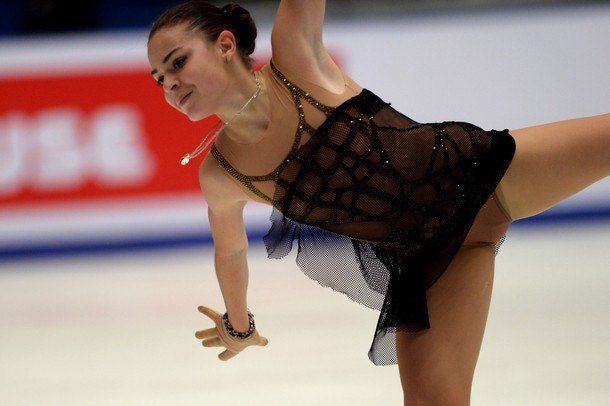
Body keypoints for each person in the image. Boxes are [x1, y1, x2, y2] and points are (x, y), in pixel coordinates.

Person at [147, 1, 610, 404]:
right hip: (431, 263)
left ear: (226, 45)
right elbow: (230, 250)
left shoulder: (294, 56)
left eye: (178, 62)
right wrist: (239, 325)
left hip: (483, 176)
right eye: (160, 78)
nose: (170, 84)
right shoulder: (222, 174)